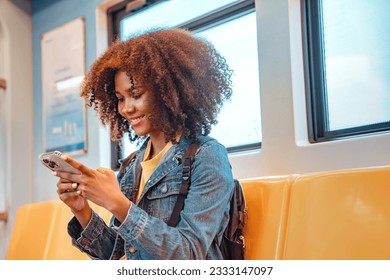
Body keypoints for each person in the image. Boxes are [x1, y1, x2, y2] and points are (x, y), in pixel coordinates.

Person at [54, 28, 235, 260]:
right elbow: (120, 255)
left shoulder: (207, 156)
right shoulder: (133, 164)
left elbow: (189, 253)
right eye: (120, 98)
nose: (126, 108)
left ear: (166, 91)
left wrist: (116, 203)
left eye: (136, 94)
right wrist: (82, 211)